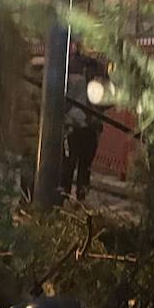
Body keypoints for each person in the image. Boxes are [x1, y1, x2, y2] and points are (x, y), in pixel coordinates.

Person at [62, 43, 104, 200]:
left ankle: (80, 201)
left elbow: (108, 98)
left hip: (91, 127)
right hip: (72, 125)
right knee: (68, 165)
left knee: (85, 167)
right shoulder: (70, 65)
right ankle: (63, 199)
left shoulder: (99, 69)